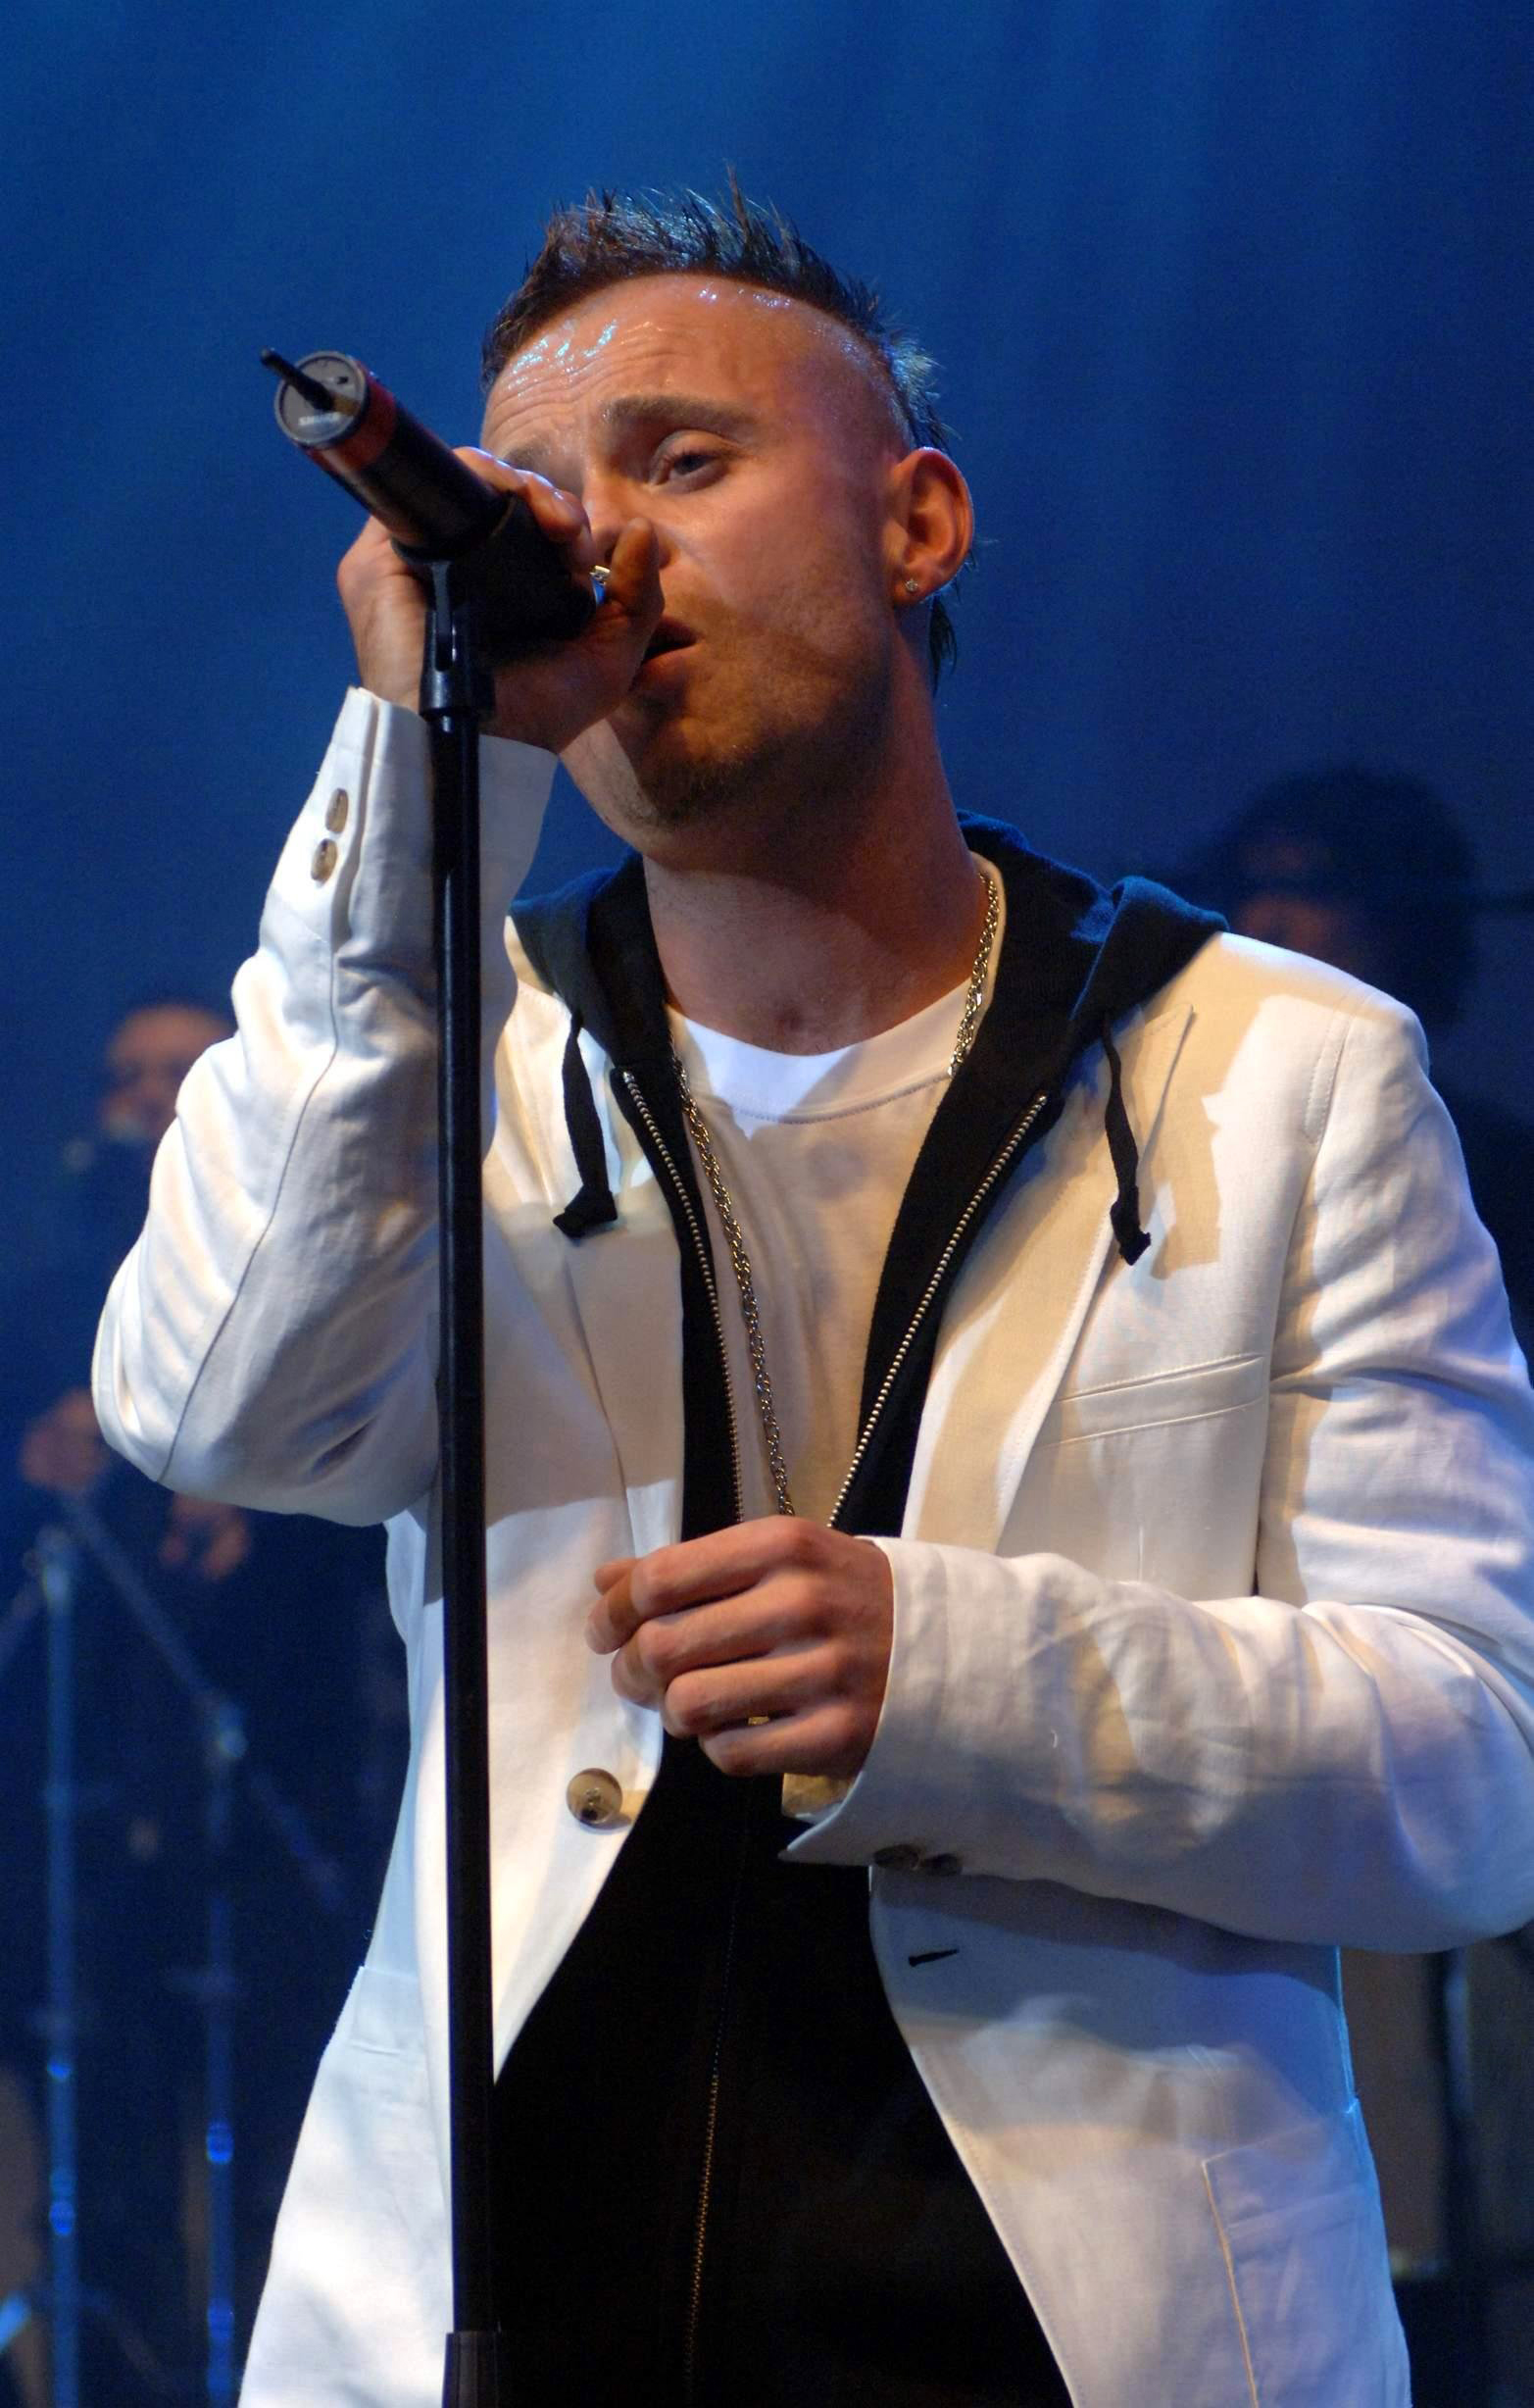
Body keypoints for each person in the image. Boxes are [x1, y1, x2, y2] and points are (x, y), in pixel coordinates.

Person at [92, 187, 1534, 2408]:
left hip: (1076, 2334)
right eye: (547, 505)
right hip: (503, 2311)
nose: (602, 551)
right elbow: (215, 1409)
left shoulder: (1282, 1066)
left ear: (919, 523)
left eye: (685, 463)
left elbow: (1477, 1775)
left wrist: (957, 1670)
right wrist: (427, 768)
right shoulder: (437, 1064)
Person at [2, 998, 398, 2396]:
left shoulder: (316, 1255)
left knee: (288, 2138)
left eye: (180, 1073)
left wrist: (256, 1511)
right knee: (104, 2139)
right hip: (95, 1802)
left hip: (281, 1790)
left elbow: (375, 1499)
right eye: (126, 1078)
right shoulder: (49, 1288)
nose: (148, 1101)